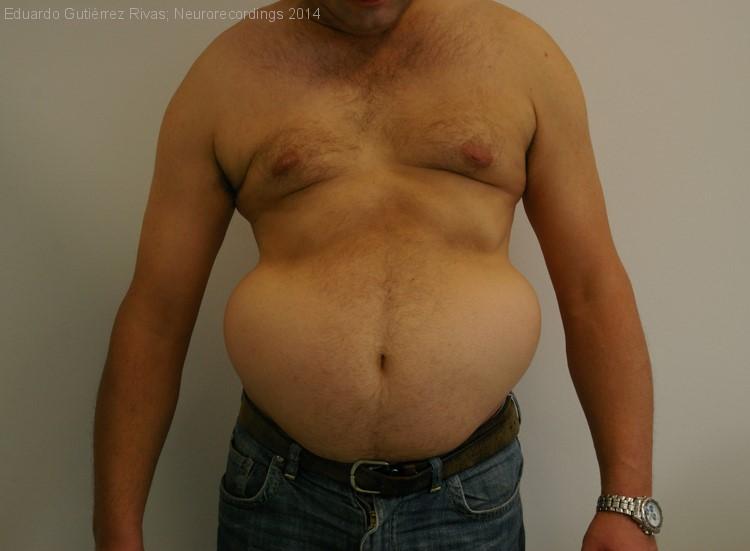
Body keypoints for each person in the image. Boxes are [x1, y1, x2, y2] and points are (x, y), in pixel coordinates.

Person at [92, 1, 660, 550]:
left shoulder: (522, 57)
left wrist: (628, 503)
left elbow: (592, 286)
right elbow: (156, 317)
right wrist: (116, 534)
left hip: (467, 503)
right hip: (280, 500)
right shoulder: (225, 78)